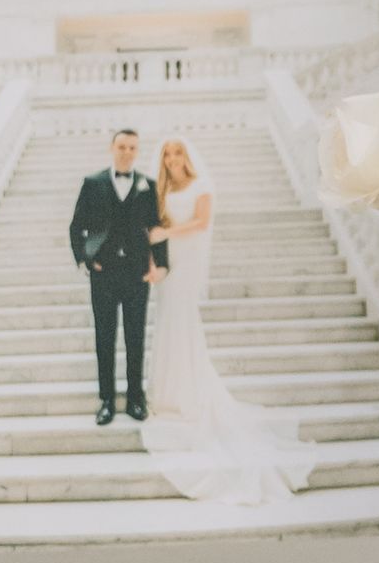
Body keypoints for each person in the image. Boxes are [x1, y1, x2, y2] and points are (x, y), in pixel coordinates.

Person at [142, 137, 298, 514]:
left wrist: (166, 234)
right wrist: (153, 260)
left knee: (183, 319)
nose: (172, 159)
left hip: (188, 258)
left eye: (177, 152)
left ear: (187, 156)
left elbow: (201, 222)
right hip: (168, 264)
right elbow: (152, 228)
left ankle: (188, 393)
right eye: (167, 154)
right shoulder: (161, 190)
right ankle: (167, 392)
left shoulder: (201, 185)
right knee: (167, 320)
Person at [69, 127, 164, 427]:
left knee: (136, 337)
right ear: (112, 148)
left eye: (132, 147)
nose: (127, 152)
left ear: (137, 151)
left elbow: (156, 227)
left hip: (137, 273)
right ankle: (107, 400)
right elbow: (76, 227)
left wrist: (160, 264)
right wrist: (85, 260)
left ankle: (136, 398)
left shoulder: (148, 185)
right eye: (122, 146)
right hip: (104, 273)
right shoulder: (93, 183)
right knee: (104, 337)